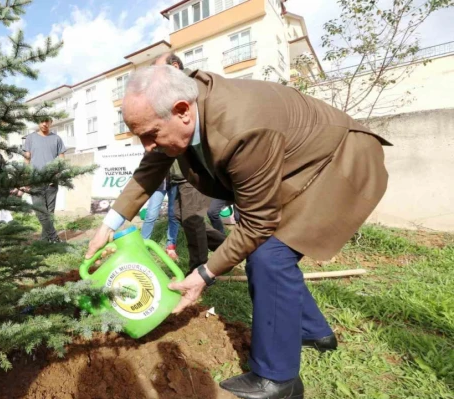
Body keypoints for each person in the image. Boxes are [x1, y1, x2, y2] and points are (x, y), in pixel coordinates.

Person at [85, 64, 390, 399]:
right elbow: (151, 166)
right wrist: (108, 225)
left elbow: (257, 223)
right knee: (274, 253)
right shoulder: (183, 109)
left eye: (150, 134)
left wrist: (204, 273)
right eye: (139, 135)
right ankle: (315, 332)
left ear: (183, 112)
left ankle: (279, 381)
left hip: (337, 161)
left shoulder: (242, 127)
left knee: (268, 255)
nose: (146, 146)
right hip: (301, 161)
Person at [154, 52, 226, 271]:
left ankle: (199, 268)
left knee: (192, 220)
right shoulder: (168, 101)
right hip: (176, 175)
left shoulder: (193, 90)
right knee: (181, 217)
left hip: (194, 172)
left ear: (175, 66)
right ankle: (227, 248)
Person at [23, 117, 66, 243]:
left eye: (47, 121)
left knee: (49, 212)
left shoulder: (57, 139)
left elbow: (61, 158)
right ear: (38, 122)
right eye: (42, 121)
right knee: (40, 210)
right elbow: (27, 160)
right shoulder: (30, 138)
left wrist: (57, 174)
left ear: (51, 123)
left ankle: (44, 240)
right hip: (35, 180)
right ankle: (54, 238)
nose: (44, 124)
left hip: (52, 181)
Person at [139, 173, 180, 260]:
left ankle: (171, 247)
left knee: (174, 215)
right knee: (151, 215)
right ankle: (142, 247)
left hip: (176, 180)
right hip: (158, 180)